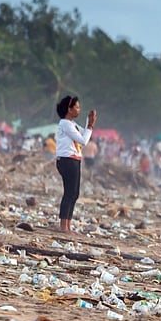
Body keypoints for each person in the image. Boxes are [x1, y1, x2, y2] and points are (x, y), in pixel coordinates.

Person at [54, 95, 96, 234]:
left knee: (74, 193)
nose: (79, 110)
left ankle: (68, 225)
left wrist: (89, 122)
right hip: (67, 160)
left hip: (74, 159)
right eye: (77, 107)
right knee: (69, 193)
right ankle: (63, 226)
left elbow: (86, 134)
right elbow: (83, 141)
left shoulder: (72, 124)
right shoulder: (65, 124)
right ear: (69, 109)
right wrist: (90, 126)